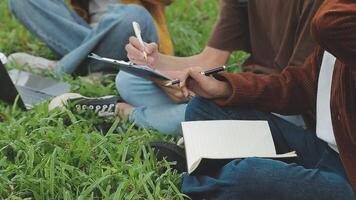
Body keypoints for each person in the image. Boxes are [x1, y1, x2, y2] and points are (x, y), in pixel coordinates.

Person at [168, 0, 355, 198]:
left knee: (250, 173)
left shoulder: (337, 18)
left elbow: (326, 24)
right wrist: (222, 88)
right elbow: (298, 86)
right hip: (325, 150)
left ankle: (195, 176)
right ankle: (212, 170)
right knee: (203, 108)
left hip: (349, 180)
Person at [52, 0, 323, 135]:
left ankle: (125, 113)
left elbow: (297, 89)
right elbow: (209, 61)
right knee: (128, 79)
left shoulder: (320, 6)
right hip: (243, 89)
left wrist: (223, 90)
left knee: (200, 110)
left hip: (288, 106)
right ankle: (188, 118)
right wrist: (154, 65)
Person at [8, 0, 173, 76]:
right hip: (85, 34)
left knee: (132, 14)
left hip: (133, 35)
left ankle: (60, 68)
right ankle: (102, 69)